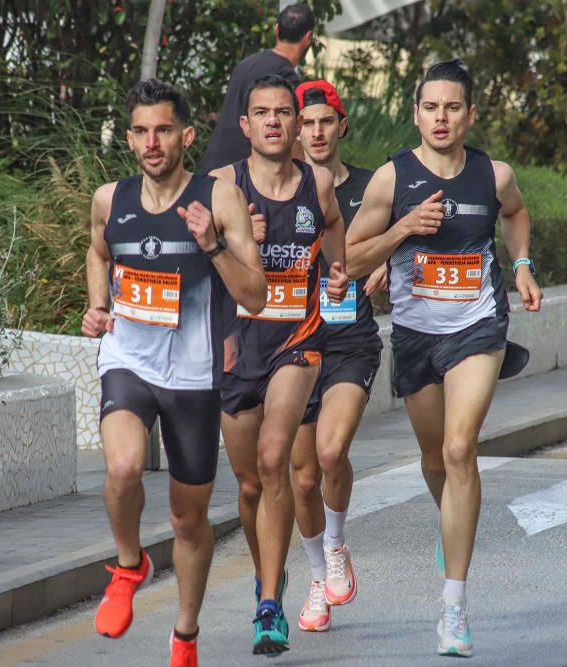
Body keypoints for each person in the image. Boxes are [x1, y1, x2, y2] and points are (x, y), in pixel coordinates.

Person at [345, 59, 541, 658]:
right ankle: (449, 517)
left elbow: (516, 214)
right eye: (431, 107)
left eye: (453, 107)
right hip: (415, 335)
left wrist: (524, 263)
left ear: (470, 114)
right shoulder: (391, 179)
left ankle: (453, 607)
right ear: (416, 114)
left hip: (478, 327)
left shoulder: (493, 175)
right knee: (435, 457)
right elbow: (350, 260)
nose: (441, 118)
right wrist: (402, 229)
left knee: (460, 449)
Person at [83, 78, 267, 667]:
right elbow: (98, 252)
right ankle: (129, 564)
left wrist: (212, 245)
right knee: (122, 465)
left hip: (194, 374)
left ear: (186, 134)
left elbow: (257, 295)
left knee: (189, 519)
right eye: (140, 131)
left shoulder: (219, 199)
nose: (151, 142)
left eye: (163, 130)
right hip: (128, 360)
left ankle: (185, 634)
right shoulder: (110, 199)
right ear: (130, 137)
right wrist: (98, 306)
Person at [208, 74, 349, 657]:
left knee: (275, 460)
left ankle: (269, 606)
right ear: (246, 126)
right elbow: (196, 254)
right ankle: (272, 571)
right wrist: (238, 238)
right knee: (247, 485)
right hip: (238, 347)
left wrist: (337, 268)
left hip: (299, 339)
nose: (273, 121)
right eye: (261, 113)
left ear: (297, 124)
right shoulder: (221, 186)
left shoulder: (316, 182)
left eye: (283, 113)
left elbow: (335, 224)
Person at [288, 79, 386, 633]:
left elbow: (404, 240)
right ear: (296, 131)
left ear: (341, 126)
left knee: (330, 454)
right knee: (302, 480)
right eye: (308, 123)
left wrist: (390, 262)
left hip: (351, 341)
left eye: (327, 121)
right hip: (297, 345)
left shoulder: (373, 186)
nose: (317, 131)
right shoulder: (283, 188)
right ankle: (315, 578)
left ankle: (337, 545)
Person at [200, 3, 314, 174]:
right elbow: (294, 138)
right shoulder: (287, 80)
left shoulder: (246, 64)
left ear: (276, 30)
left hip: (213, 167)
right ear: (308, 37)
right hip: (243, 180)